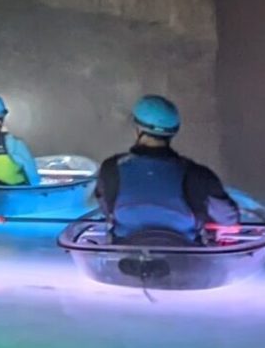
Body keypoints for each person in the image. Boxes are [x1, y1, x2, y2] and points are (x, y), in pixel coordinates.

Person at [93, 95, 241, 242]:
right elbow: (228, 219)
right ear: (173, 131)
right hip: (186, 257)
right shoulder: (200, 176)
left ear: (138, 129)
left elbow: (107, 209)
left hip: (124, 258)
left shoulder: (110, 169)